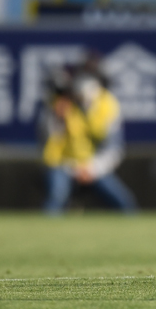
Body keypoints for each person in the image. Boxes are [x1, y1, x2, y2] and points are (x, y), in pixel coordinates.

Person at [41, 66, 137, 215]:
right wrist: (57, 118)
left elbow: (114, 148)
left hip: (92, 166)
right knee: (56, 197)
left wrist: (92, 169)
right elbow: (48, 142)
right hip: (62, 164)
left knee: (124, 202)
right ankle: (44, 234)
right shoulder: (57, 106)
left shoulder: (106, 106)